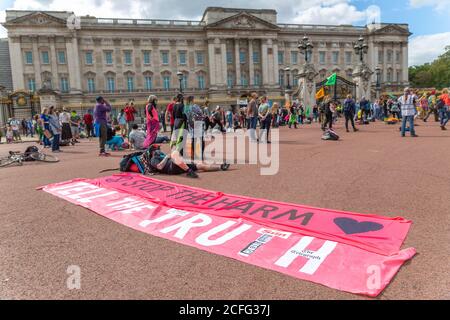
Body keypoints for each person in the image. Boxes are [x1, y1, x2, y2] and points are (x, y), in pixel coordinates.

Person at [140, 145, 230, 178]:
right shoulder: (153, 159)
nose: (159, 150)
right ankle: (189, 171)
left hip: (179, 164)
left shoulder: (160, 155)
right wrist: (167, 157)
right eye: (157, 149)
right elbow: (159, 167)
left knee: (200, 165)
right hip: (171, 168)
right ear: (152, 152)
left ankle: (220, 167)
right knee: (174, 152)